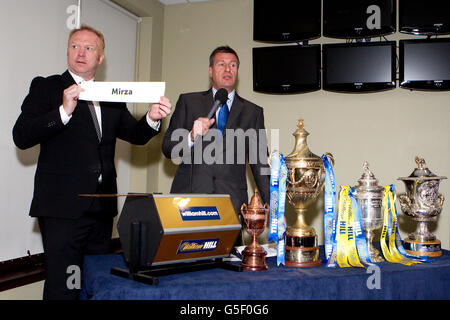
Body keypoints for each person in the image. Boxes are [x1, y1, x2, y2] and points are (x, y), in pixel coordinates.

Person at [12, 25, 171, 300]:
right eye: (75, 46)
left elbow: (134, 134)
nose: (80, 52)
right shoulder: (47, 87)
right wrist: (62, 112)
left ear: (100, 57)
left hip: (101, 210)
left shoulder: (110, 94)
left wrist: (152, 118)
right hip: (62, 210)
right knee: (64, 289)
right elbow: (21, 135)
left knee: (93, 286)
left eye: (89, 48)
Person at [162, 45, 270, 233]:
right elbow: (168, 148)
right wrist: (191, 136)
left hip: (232, 203)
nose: (228, 69)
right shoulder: (189, 102)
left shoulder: (252, 112)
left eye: (233, 65)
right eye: (221, 64)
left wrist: (274, 207)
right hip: (190, 202)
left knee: (229, 262)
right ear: (211, 71)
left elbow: (260, 163)